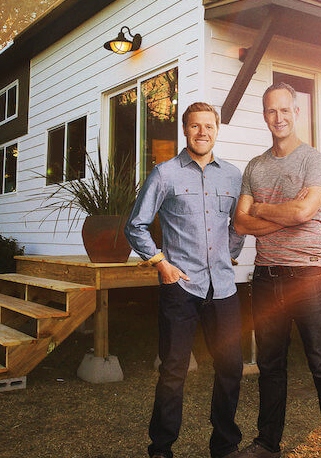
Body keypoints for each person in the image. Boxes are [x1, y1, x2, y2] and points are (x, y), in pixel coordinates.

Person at [232, 82, 321, 458]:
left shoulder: (315, 160)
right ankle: (267, 443)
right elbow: (240, 223)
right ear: (264, 115)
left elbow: (303, 212)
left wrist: (264, 210)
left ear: (296, 113)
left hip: (307, 276)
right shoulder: (255, 166)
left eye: (285, 110)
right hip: (266, 276)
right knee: (270, 366)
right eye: (271, 111)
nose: (278, 118)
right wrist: (285, 211)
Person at [125, 101, 245, 458]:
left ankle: (224, 446)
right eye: (195, 126)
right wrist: (162, 264)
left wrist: (231, 253)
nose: (202, 132)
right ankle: (161, 449)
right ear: (185, 130)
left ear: (217, 130)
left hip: (223, 288)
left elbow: (238, 225)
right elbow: (136, 225)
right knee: (174, 371)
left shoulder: (233, 177)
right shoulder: (165, 174)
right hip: (181, 288)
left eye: (208, 126)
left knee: (231, 367)